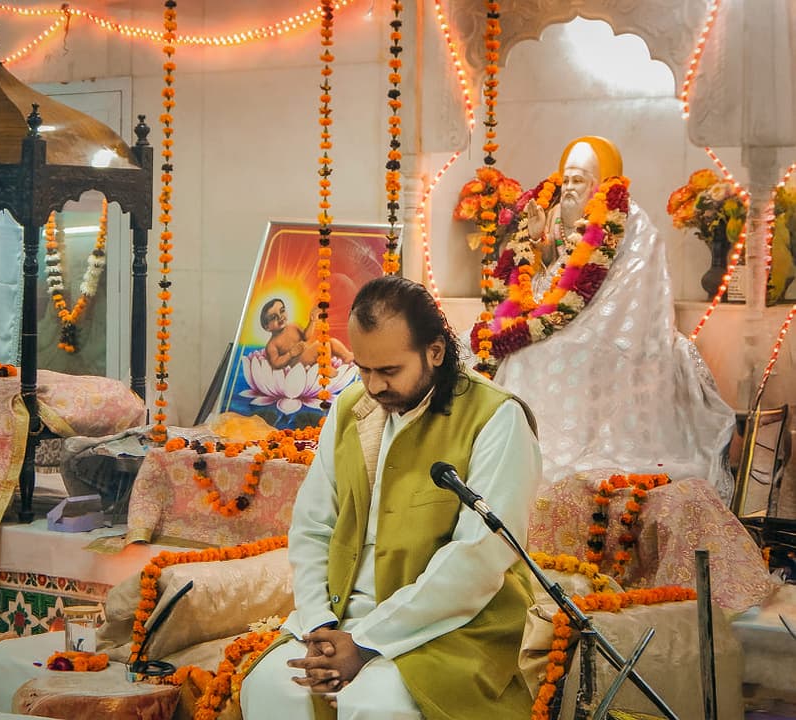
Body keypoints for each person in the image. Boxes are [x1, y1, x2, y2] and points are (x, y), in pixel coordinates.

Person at [241, 275, 543, 720]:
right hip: (344, 616)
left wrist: (365, 644)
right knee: (270, 687)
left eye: (389, 371)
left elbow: (477, 559)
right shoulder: (350, 410)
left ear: (435, 352)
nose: (375, 386)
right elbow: (312, 526)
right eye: (363, 370)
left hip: (452, 626)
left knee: (374, 703)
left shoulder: (496, 418)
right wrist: (321, 624)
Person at [468, 136, 737, 502]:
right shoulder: (559, 223)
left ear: (602, 181)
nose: (570, 188)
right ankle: (519, 456)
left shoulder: (630, 223)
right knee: (521, 354)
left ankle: (559, 455)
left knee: (555, 353)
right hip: (567, 328)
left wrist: (579, 328)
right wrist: (535, 243)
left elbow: (636, 296)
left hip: (618, 332)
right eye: (567, 178)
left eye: (579, 180)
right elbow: (549, 296)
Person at [261, 297, 354, 370]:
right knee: (321, 345)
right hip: (298, 365)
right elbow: (275, 364)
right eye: (273, 317)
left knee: (331, 341)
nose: (280, 317)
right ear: (267, 327)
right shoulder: (271, 345)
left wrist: (312, 321)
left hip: (308, 353)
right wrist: (290, 354)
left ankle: (347, 355)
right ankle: (325, 368)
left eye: (282, 311)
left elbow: (306, 337)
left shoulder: (293, 326)